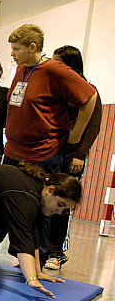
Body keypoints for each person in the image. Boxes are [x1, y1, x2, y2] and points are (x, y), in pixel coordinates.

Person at [0, 24, 97, 260]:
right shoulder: (22, 69)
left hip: (42, 153)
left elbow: (90, 97)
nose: (12, 54)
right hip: (14, 150)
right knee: (3, 201)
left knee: (39, 207)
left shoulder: (54, 69)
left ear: (32, 47)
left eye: (16, 49)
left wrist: (76, 136)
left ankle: (38, 258)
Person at [0, 163, 82, 298]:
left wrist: (37, 272)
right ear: (50, 190)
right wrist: (31, 279)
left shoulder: (35, 193)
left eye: (64, 210)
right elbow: (22, 239)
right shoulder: (24, 195)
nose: (58, 211)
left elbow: (32, 235)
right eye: (60, 204)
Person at [44, 45, 103, 270]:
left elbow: (94, 125)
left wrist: (80, 154)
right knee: (45, 198)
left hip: (72, 154)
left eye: (58, 61)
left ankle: (56, 252)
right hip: (51, 150)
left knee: (62, 201)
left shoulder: (88, 90)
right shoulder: (56, 88)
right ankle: (39, 249)